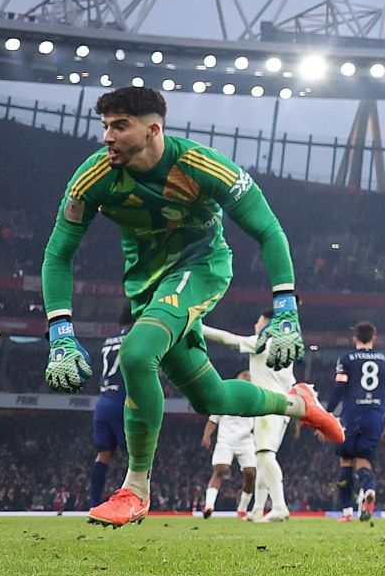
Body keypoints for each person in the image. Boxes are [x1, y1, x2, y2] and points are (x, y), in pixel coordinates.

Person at [39, 86, 343, 527]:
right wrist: (60, 332)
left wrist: (286, 309)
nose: (108, 136)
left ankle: (135, 490)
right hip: (147, 287)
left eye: (120, 126)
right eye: (105, 126)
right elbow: (57, 254)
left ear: (153, 129)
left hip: (200, 269)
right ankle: (298, 403)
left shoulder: (201, 165)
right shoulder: (93, 177)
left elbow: (269, 231)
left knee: (137, 353)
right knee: (210, 397)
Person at [204, 311, 300, 521]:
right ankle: (257, 509)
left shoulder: (261, 342)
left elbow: (227, 338)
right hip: (284, 407)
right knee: (262, 459)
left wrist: (199, 328)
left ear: (266, 323)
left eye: (258, 320)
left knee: (265, 455)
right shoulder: (286, 348)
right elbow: (291, 383)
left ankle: (279, 506)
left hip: (268, 406)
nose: (256, 324)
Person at [329, 322, 385, 522]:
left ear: (354, 338)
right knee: (364, 462)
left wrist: (327, 414)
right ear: (374, 338)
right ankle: (368, 489)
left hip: (351, 415)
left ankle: (347, 512)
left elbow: (339, 388)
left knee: (346, 461)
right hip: (375, 416)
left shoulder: (347, 359)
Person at [87, 307, 131, 510]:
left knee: (104, 454)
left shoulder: (108, 340)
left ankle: (94, 502)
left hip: (103, 401)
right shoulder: (135, 337)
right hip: (123, 401)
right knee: (137, 456)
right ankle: (134, 500)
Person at [200, 371, 257, 518]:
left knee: (250, 473)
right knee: (221, 470)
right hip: (226, 440)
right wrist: (207, 435)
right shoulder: (224, 399)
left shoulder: (255, 400)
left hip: (246, 441)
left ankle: (242, 508)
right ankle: (209, 506)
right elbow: (213, 420)